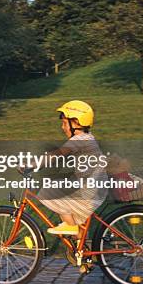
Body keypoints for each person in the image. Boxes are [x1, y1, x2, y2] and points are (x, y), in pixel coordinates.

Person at [22, 100, 108, 237]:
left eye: (64, 123)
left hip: (90, 191)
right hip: (93, 188)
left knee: (48, 192)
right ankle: (80, 249)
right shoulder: (86, 138)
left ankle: (71, 226)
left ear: (76, 123)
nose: (62, 127)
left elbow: (57, 154)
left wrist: (32, 165)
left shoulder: (80, 140)